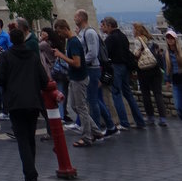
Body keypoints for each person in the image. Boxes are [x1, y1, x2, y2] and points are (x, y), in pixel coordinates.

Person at [0, 24, 51, 181]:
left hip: (16, 103)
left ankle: (30, 177)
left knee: (22, 141)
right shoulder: (33, 56)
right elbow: (44, 80)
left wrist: (10, 86)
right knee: (30, 138)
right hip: (33, 102)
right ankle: (31, 173)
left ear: (11, 40)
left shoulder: (6, 56)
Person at [55, 17, 94, 147]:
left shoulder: (73, 42)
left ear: (65, 29)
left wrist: (61, 56)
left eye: (59, 32)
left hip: (79, 78)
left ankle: (87, 136)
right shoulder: (71, 42)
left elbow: (77, 63)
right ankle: (96, 131)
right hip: (75, 78)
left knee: (81, 108)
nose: (59, 36)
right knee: (75, 106)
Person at [101, 16, 145, 129]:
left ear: (110, 26)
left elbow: (104, 53)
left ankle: (124, 122)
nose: (103, 28)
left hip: (116, 67)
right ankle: (140, 120)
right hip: (125, 67)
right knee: (128, 94)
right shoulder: (123, 36)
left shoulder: (111, 38)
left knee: (116, 94)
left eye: (104, 25)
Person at [74, 9, 113, 135]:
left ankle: (96, 129)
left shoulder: (90, 33)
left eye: (76, 17)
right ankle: (111, 126)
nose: (74, 19)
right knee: (94, 99)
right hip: (89, 68)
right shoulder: (83, 32)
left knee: (92, 100)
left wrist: (79, 62)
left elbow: (92, 53)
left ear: (81, 18)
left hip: (92, 69)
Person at [130, 22, 167, 125]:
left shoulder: (138, 41)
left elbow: (136, 54)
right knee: (157, 94)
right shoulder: (151, 41)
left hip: (144, 70)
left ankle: (150, 117)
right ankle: (163, 118)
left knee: (146, 94)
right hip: (155, 70)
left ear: (137, 31)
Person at [164, 27, 182, 118]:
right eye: (168, 38)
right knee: (178, 107)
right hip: (175, 82)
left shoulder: (180, 51)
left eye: (171, 38)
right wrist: (167, 81)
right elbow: (166, 68)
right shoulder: (166, 53)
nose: (170, 40)